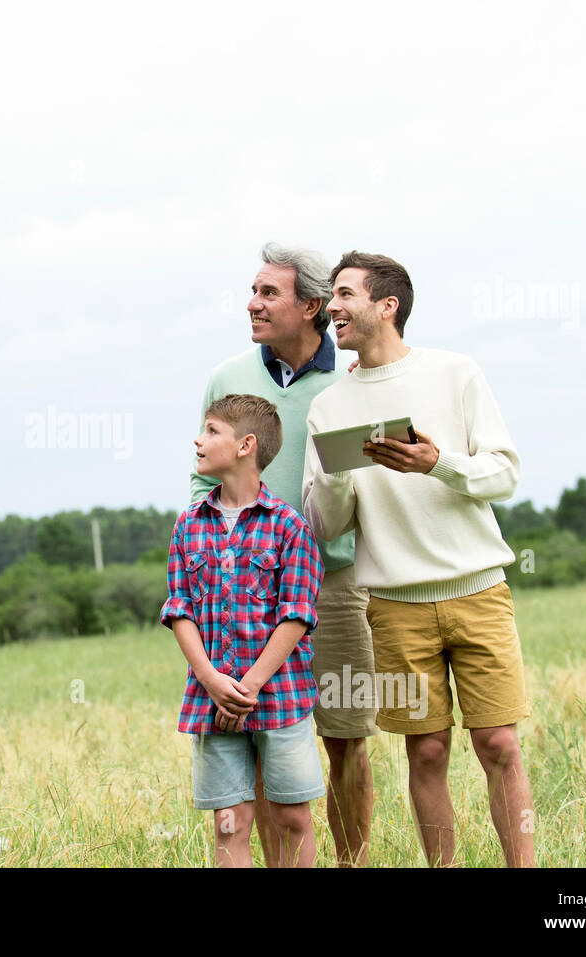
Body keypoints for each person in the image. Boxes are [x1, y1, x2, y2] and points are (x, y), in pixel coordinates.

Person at [302, 251, 535, 867]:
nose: (332, 307)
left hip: (477, 589)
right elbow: (327, 525)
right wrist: (334, 473)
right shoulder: (331, 406)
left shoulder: (456, 373)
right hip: (394, 606)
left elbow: (504, 474)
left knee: (499, 744)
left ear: (387, 305)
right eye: (331, 296)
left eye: (345, 294)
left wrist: (440, 463)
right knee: (425, 751)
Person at [190, 243, 376, 866]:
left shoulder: (351, 378)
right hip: (247, 593)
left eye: (270, 294)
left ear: (313, 306)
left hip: (337, 584)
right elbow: (202, 484)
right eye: (254, 290)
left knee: (346, 739)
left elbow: (362, 479)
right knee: (265, 739)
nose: (253, 303)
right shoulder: (228, 378)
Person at [161, 393, 325, 867]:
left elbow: (296, 615)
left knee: (293, 817)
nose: (199, 439)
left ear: (245, 445)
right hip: (211, 699)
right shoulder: (188, 526)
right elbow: (180, 611)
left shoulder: (289, 527)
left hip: (280, 696)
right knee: (229, 821)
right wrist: (214, 682)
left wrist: (249, 687)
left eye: (211, 430)